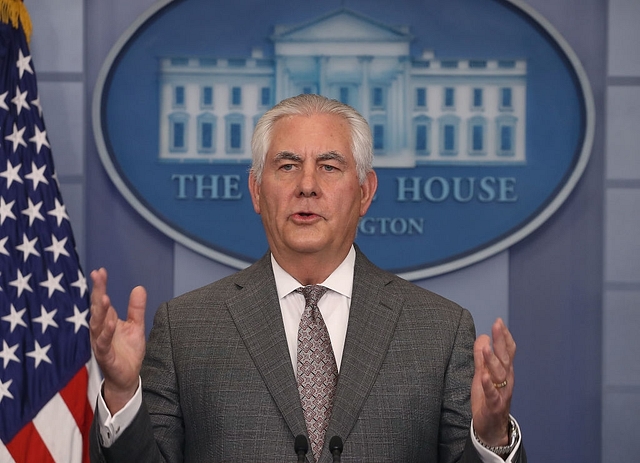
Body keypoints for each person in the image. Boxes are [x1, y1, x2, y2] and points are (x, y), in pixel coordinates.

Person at [89, 94, 526, 462]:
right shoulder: (186, 328)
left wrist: (489, 437)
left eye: (330, 167)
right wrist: (123, 395)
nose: (307, 186)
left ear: (366, 192)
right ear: (257, 191)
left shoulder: (439, 330)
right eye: (287, 165)